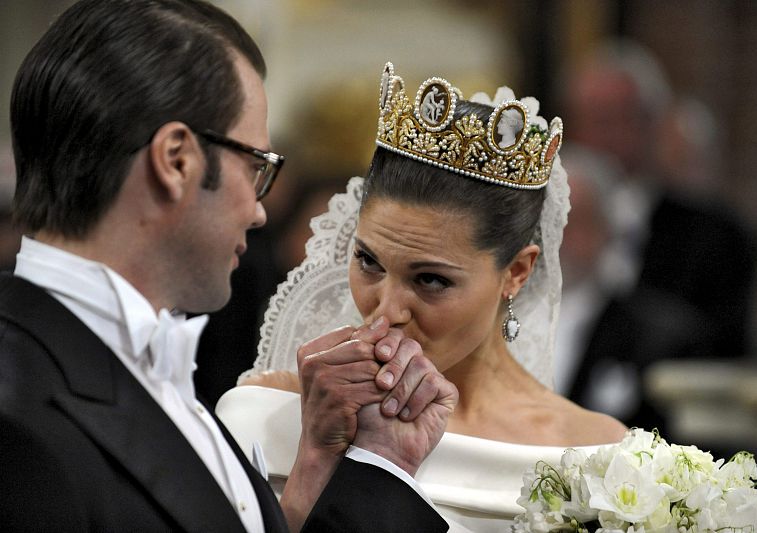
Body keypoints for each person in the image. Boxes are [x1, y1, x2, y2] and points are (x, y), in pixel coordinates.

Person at [0, 2, 457, 532]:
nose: (260, 209)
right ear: (176, 160)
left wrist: (361, 466)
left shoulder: (129, 360)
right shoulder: (18, 420)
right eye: (255, 166)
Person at [220, 62, 627, 532]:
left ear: (516, 272)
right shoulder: (267, 415)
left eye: (430, 280)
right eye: (369, 262)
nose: (386, 310)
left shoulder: (598, 456)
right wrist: (314, 459)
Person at [561, 39, 757, 430]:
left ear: (654, 122)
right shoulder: (546, 228)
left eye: (617, 117)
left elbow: (725, 355)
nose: (601, 135)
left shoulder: (716, 238)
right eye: (589, 118)